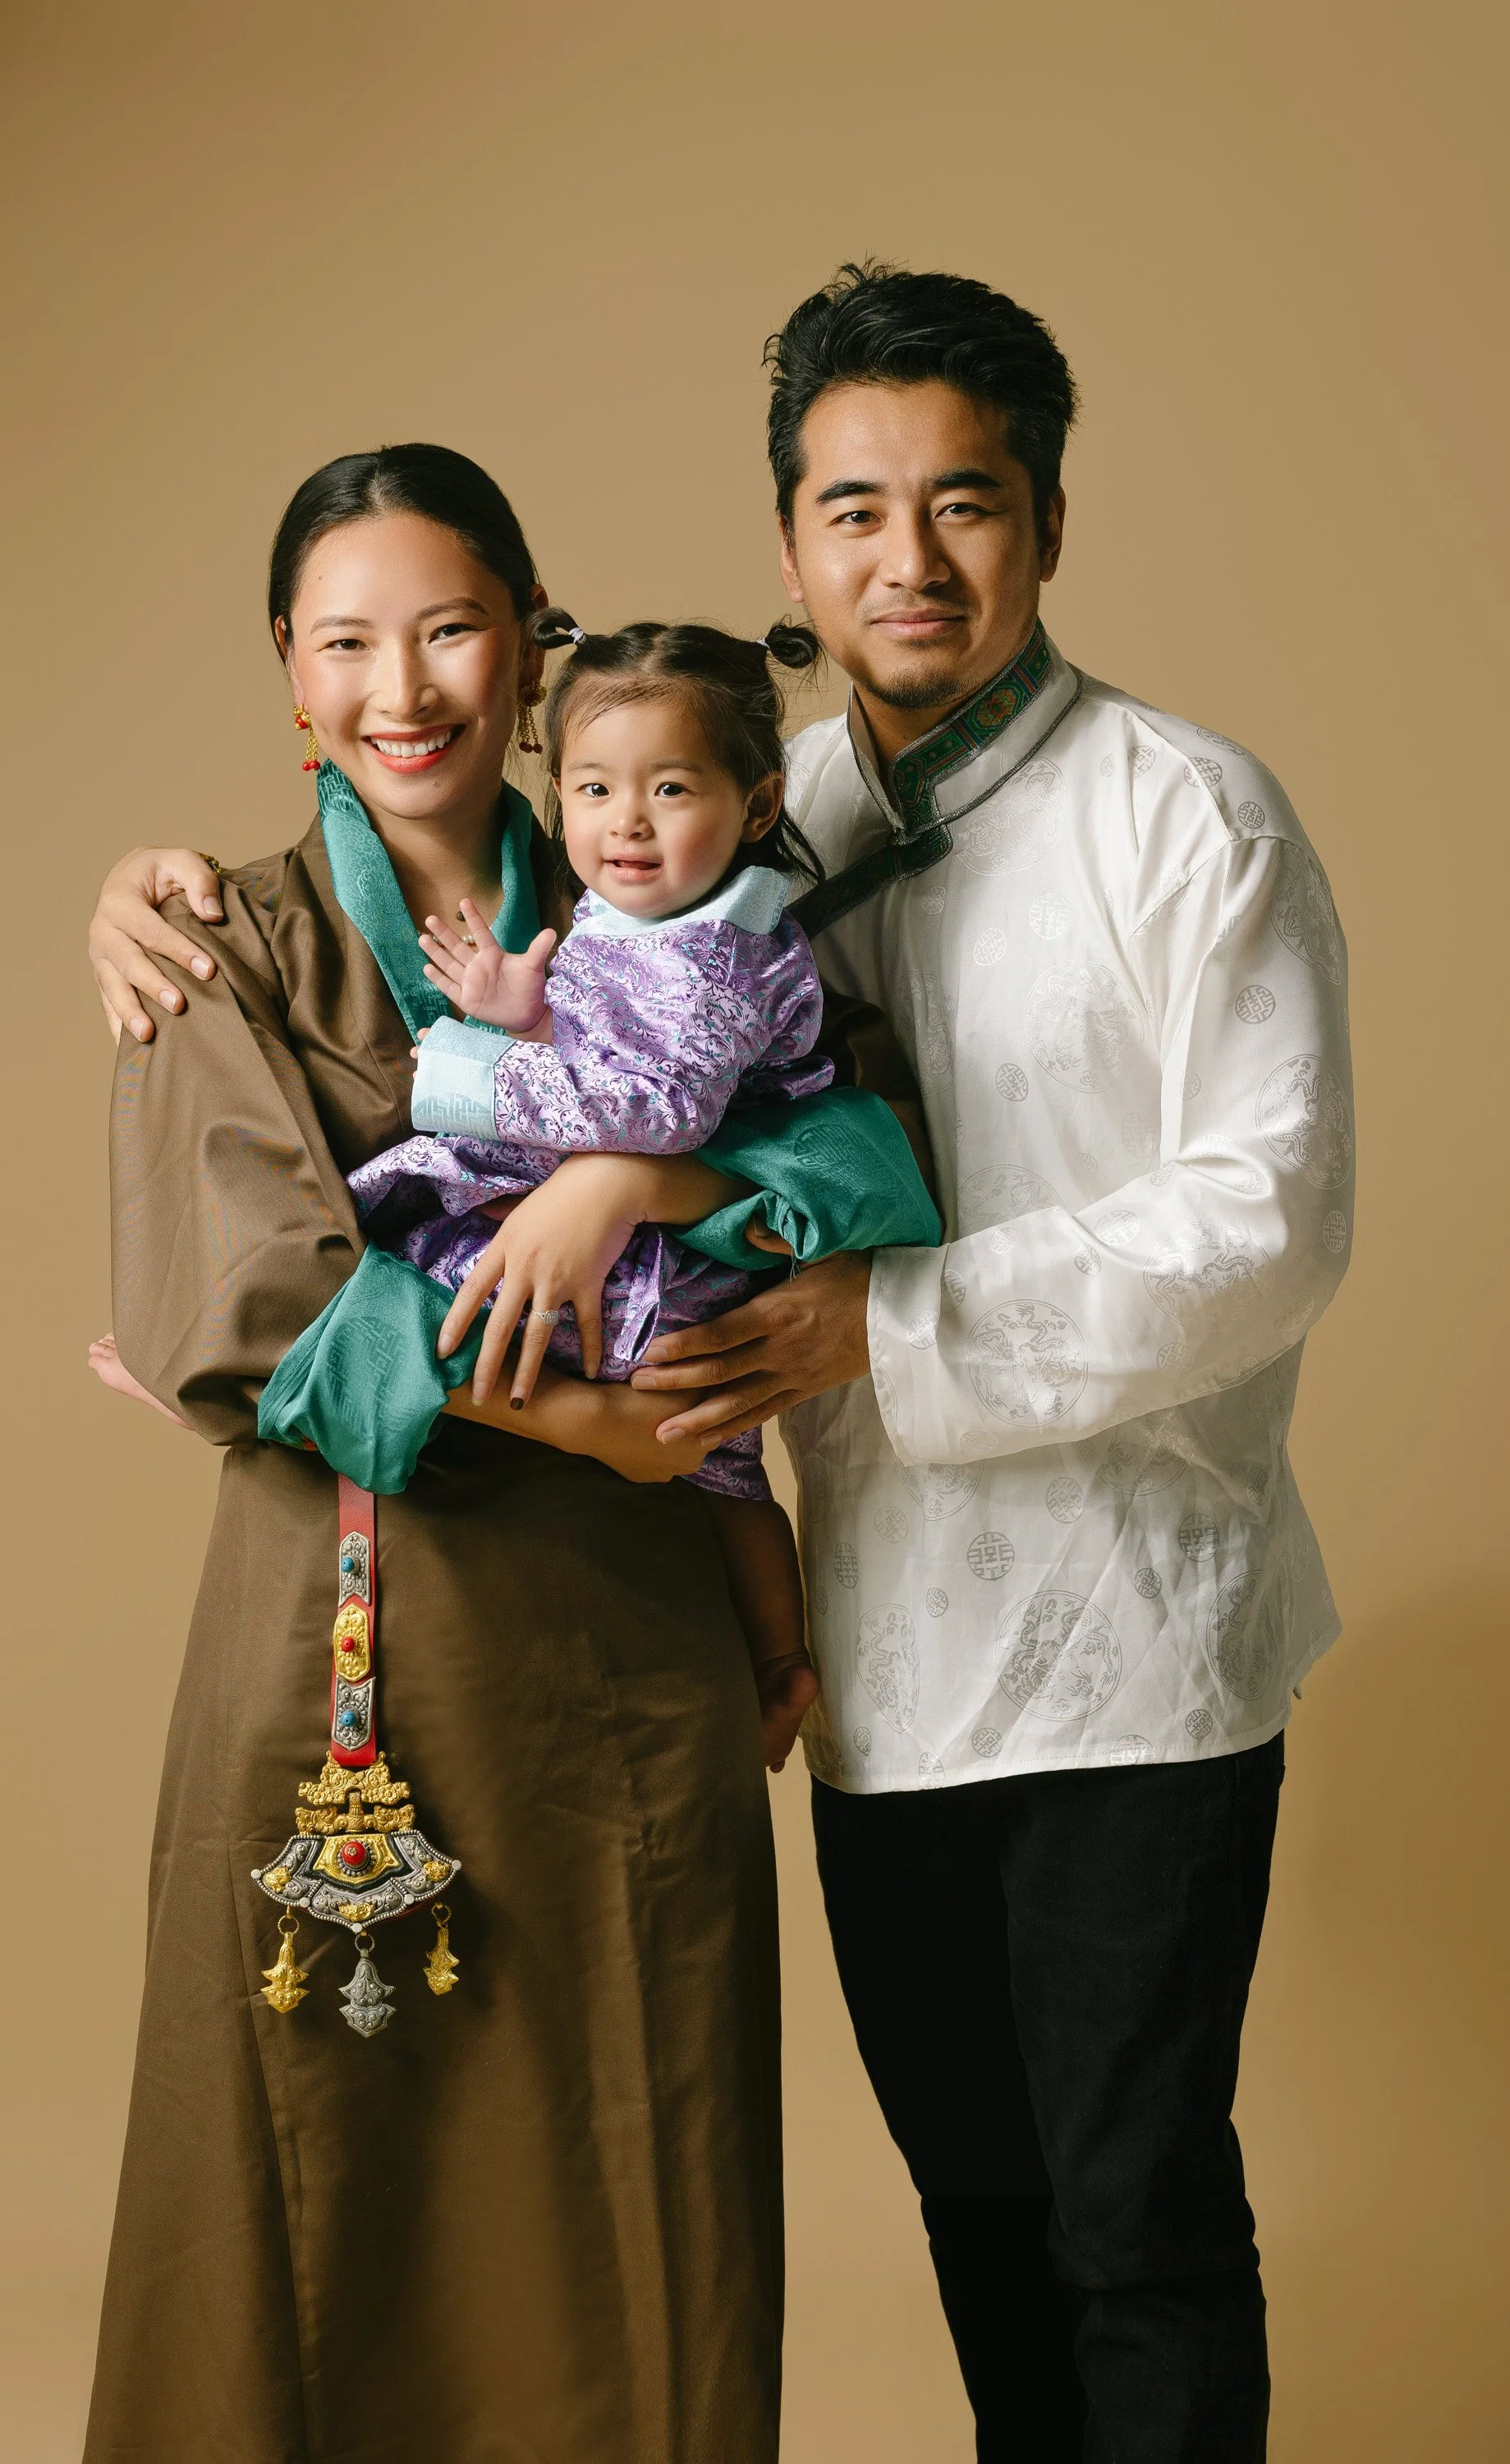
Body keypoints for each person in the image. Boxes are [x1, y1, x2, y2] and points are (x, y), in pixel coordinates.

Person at [90, 265, 1356, 2464]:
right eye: (854, 510)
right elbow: (295, 1276)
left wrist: (707, 1222)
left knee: (1089, 2205)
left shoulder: (1074, 822)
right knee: (967, 2209)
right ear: (790, 552)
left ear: (1050, 521)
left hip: (1012, 1640)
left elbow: (1142, 1205)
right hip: (670, 1655)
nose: (909, 557)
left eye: (963, 504)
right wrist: (142, 891)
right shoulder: (598, 849)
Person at [77, 440, 926, 2464]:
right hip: (351, 1645)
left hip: (630, 1666)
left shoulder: (682, 887)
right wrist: (603, 1427)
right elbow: (258, 1301)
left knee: (637, 2167)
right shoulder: (225, 935)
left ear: (534, 656)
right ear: (288, 676)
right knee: (322, 2180)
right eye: (345, 641)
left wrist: (624, 1174)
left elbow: (863, 1152)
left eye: (451, 629)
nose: (404, 688)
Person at [334, 613, 936, 1768]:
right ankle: (777, 1662)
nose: (627, 823)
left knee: (404, 1261)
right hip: (678, 1250)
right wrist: (531, 1011)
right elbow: (612, 1045)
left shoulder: (724, 952)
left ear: (757, 808)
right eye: (595, 788)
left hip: (691, 1258)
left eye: (670, 789)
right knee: (726, 1470)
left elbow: (662, 1110)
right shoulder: (636, 919)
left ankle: (287, 1391)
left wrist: (484, 1072)